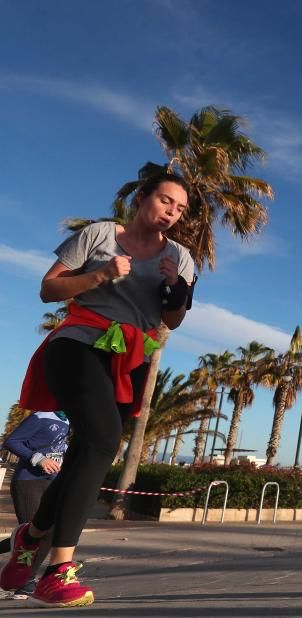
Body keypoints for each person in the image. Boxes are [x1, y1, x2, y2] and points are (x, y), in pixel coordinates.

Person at [2, 173, 195, 608]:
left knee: (88, 453)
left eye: (180, 208)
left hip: (132, 360)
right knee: (104, 439)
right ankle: (57, 570)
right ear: (143, 197)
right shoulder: (100, 235)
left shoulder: (181, 257)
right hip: (79, 342)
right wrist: (101, 275)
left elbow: (174, 320)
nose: (172, 212)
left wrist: (176, 289)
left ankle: (30, 538)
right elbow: (48, 289)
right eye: (166, 200)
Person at [0, 411, 70, 600]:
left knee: (47, 532)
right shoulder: (41, 417)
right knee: (32, 532)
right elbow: (12, 441)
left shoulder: (70, 422)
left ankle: (26, 580)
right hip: (28, 481)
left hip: (51, 482)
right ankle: (22, 581)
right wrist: (39, 458)